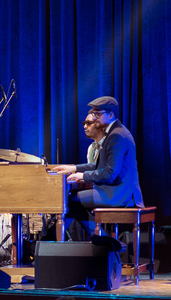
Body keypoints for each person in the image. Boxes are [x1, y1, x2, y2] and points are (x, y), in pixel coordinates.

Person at [52, 96, 144, 235]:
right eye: (94, 114)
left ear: (111, 115)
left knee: (68, 201)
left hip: (118, 194)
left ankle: (104, 242)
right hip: (115, 191)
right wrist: (74, 168)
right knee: (70, 201)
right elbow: (100, 165)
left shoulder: (117, 136)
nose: (94, 118)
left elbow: (109, 173)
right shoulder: (114, 132)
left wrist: (83, 176)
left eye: (98, 114)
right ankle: (102, 240)